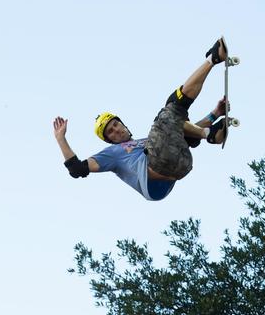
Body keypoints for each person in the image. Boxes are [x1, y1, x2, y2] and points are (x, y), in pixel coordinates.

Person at [53, 36, 232, 201]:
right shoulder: (111, 154)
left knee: (173, 124)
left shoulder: (150, 141)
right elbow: (78, 170)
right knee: (171, 108)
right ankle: (213, 59)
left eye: (116, 125)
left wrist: (215, 113)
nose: (116, 130)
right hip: (154, 178)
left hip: (180, 165)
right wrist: (61, 139)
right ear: (109, 140)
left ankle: (210, 133)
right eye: (111, 132)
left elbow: (182, 131)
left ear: (122, 124)